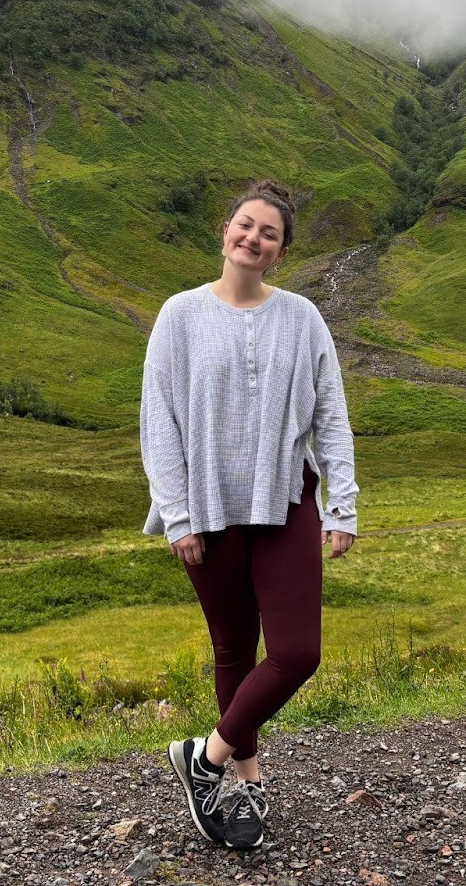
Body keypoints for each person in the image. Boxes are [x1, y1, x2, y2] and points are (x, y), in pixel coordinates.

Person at [140, 179, 359, 851]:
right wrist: (177, 516)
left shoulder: (302, 317)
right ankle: (247, 783)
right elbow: (159, 419)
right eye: (245, 224)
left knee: (296, 652)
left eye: (269, 233)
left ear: (281, 251)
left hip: (286, 500)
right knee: (233, 648)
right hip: (208, 509)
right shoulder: (179, 315)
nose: (253, 238)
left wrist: (342, 504)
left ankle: (203, 761)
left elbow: (330, 413)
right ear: (225, 231)